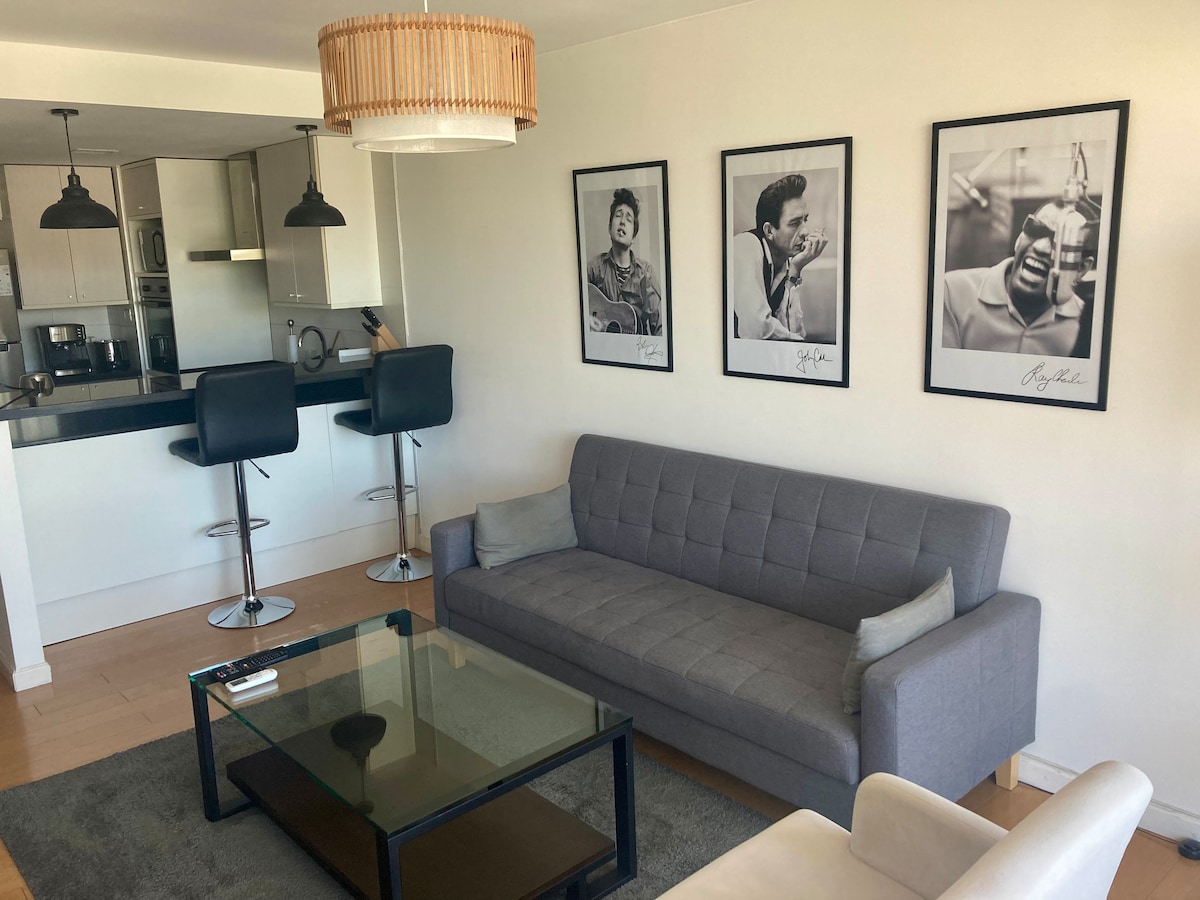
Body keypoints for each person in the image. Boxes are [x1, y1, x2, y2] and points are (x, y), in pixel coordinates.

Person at [942, 198, 1100, 357]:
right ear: (1019, 238)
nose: (1040, 247)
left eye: (1059, 244)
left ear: (1081, 268)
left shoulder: (1086, 326)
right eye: (1036, 230)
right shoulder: (952, 292)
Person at [731, 173, 828, 340]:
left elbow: (795, 331)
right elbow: (757, 330)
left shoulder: (787, 261)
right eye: (794, 223)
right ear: (769, 231)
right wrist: (798, 342)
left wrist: (796, 269)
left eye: (805, 220)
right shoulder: (744, 246)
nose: (805, 231)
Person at [587, 188, 663, 336]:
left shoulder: (646, 273)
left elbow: (660, 327)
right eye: (618, 216)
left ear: (633, 237)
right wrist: (586, 320)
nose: (622, 221)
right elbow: (571, 307)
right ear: (610, 228)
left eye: (628, 219)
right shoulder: (594, 268)